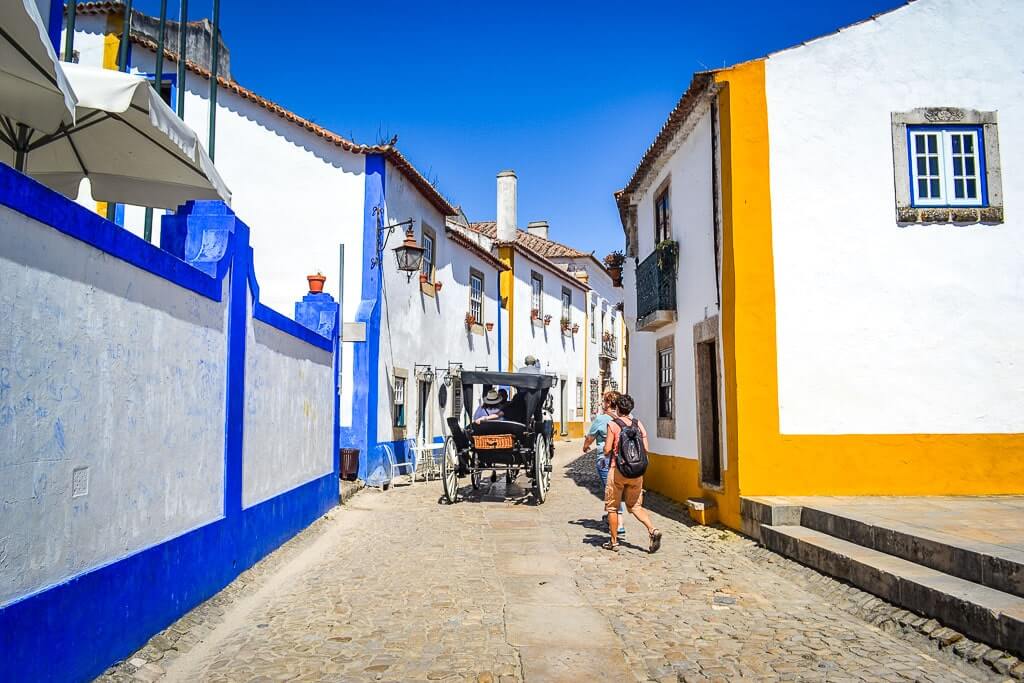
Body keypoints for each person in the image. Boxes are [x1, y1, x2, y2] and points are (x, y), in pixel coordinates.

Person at [603, 393, 662, 553]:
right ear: (630, 408)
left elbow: (607, 450)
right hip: (637, 472)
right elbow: (646, 448)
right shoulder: (638, 424)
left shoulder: (613, 425)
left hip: (618, 471)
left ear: (617, 408)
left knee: (613, 508)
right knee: (635, 507)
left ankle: (613, 542)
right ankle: (652, 530)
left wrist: (606, 450)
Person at [583, 391, 625, 535]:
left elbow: (590, 437)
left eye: (603, 401)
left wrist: (585, 446)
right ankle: (613, 518)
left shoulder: (601, 419)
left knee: (611, 491)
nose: (602, 403)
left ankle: (618, 523)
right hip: (622, 460)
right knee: (616, 489)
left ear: (608, 403)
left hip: (605, 459)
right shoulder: (625, 418)